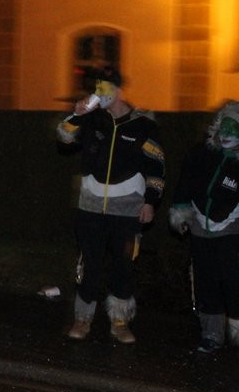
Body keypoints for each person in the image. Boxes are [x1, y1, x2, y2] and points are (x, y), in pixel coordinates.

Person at [56, 67, 165, 344]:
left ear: (117, 90)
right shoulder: (92, 120)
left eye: (104, 88)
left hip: (127, 211)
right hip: (91, 207)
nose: (98, 93)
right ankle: (83, 318)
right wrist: (77, 115)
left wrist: (150, 202)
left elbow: (157, 169)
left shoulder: (143, 126)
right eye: (96, 88)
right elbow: (65, 138)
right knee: (88, 264)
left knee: (124, 265)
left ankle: (120, 321)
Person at [169, 100, 239, 359]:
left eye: (233, 132)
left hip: (234, 232)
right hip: (201, 230)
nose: (225, 137)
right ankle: (211, 335)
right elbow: (185, 183)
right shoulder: (200, 154)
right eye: (222, 131)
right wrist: (180, 211)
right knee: (207, 284)